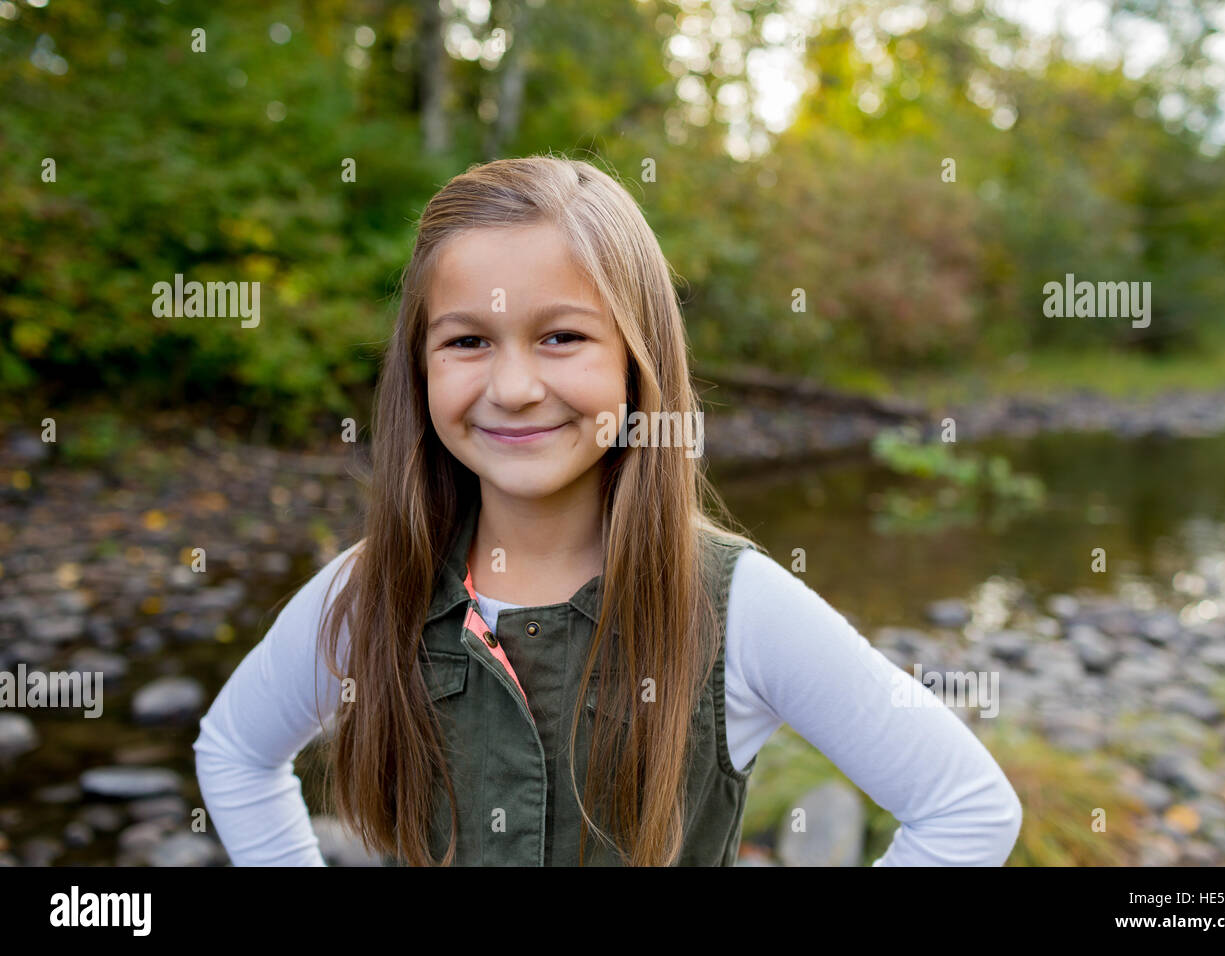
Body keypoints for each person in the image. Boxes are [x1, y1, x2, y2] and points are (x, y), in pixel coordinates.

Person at [193, 154, 1022, 867]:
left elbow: (966, 808)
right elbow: (233, 751)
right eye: (467, 341)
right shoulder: (371, 588)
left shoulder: (740, 609)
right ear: (418, 368)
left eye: (562, 338)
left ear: (637, 363)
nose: (514, 389)